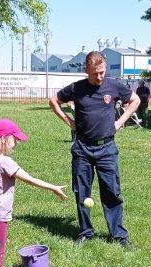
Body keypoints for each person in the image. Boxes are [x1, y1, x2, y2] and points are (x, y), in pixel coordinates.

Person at [49, 51, 140, 250]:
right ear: (86, 70)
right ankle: (85, 232)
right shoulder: (76, 88)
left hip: (106, 148)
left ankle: (118, 234)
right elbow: (53, 101)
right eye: (94, 73)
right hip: (82, 148)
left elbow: (135, 100)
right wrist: (69, 122)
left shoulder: (114, 86)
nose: (99, 77)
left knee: (112, 191)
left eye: (102, 72)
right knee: (82, 191)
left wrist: (120, 122)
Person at [0, 119, 66, 267]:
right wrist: (53, 187)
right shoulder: (5, 162)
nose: (17, 142)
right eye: (15, 138)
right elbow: (29, 179)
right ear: (4, 138)